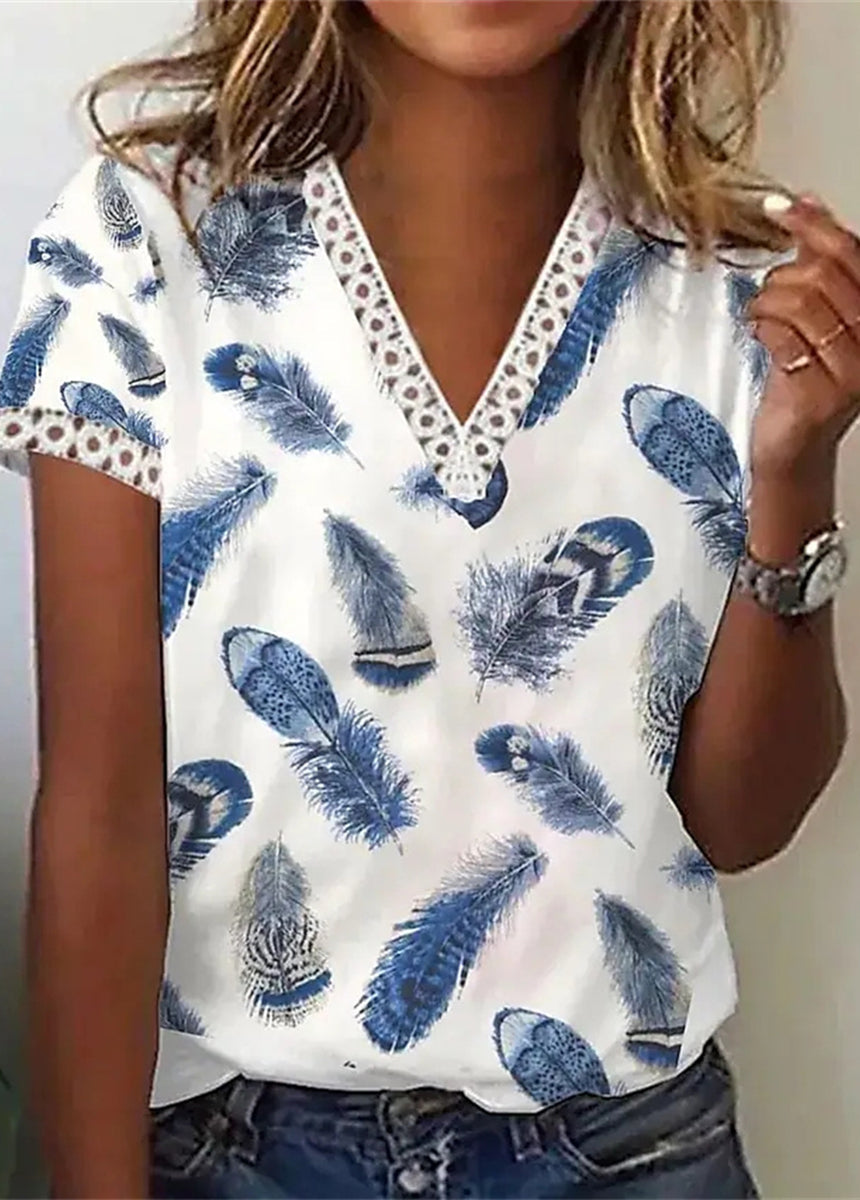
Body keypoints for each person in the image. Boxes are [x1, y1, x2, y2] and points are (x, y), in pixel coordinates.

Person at [1, 0, 857, 1195]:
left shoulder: (740, 283)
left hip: (629, 1150)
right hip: (232, 1154)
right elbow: (99, 817)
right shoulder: (145, 237)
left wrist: (794, 467)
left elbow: (739, 821)